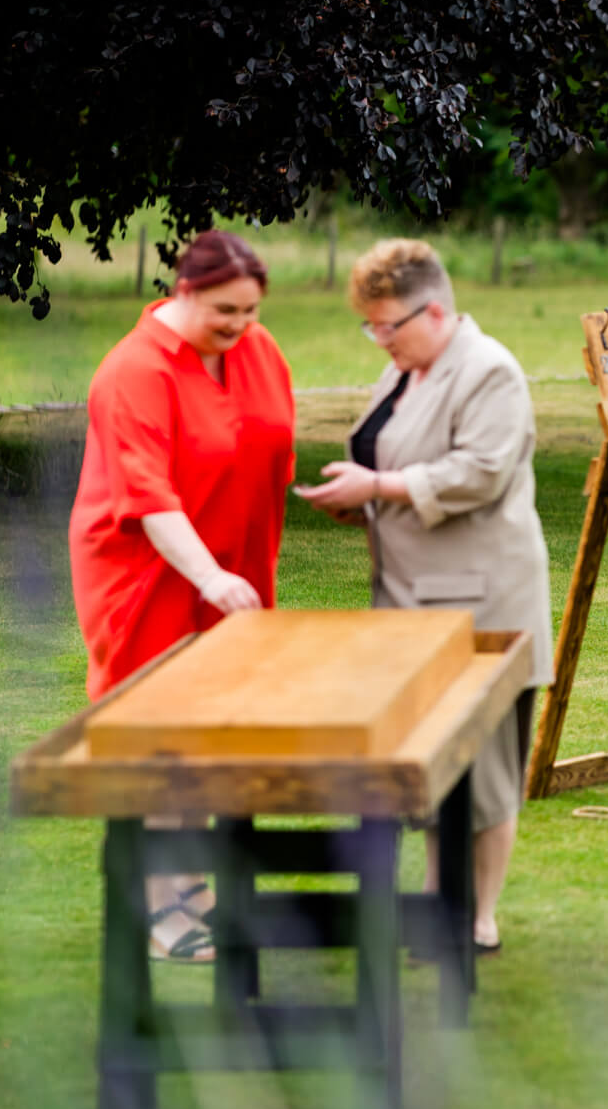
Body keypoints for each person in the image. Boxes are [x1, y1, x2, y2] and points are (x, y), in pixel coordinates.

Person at [295, 239, 551, 955]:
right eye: (371, 328)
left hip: (484, 606)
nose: (380, 339)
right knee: (430, 767)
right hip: (412, 601)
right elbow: (400, 462)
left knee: (487, 770)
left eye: (388, 326)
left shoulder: (489, 370)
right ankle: (442, 903)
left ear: (433, 309)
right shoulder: (406, 369)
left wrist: (374, 488)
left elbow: (481, 471)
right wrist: (361, 501)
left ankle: (477, 919)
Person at [68, 230, 295, 961]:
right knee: (161, 735)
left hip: (234, 567)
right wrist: (207, 577)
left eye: (252, 311)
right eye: (225, 310)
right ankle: (160, 908)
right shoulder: (133, 371)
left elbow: (271, 445)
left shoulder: (254, 350)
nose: (240, 326)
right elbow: (150, 498)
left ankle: (195, 886)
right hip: (148, 574)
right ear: (184, 290)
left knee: (219, 731)